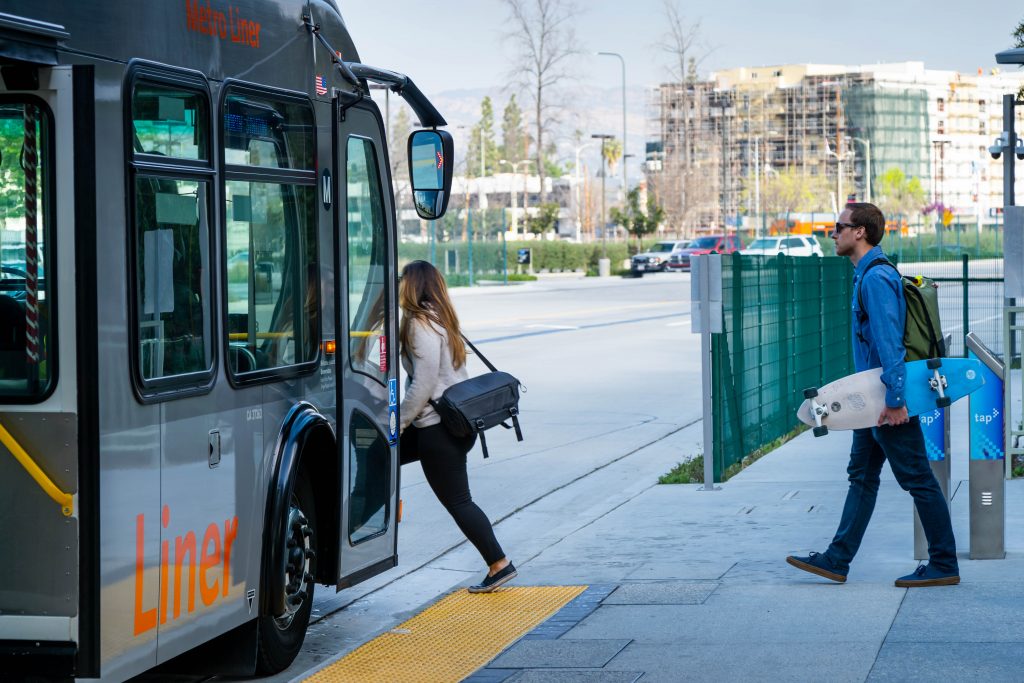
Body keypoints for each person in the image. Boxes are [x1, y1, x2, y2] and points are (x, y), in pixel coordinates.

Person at [786, 202, 959, 588]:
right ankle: (837, 559)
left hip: (884, 401)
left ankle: (944, 562)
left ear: (859, 231)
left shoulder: (876, 279)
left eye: (838, 227)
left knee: (917, 478)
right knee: (861, 477)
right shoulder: (865, 275)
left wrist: (895, 401)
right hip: (869, 400)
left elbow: (889, 343)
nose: (833, 234)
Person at [397, 260, 517, 593]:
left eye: (401, 279)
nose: (398, 285)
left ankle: (499, 563)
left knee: (459, 502)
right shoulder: (442, 319)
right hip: (450, 426)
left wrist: (399, 422)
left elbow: (423, 383)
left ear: (412, 285)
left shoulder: (420, 324)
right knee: (379, 455)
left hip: (436, 429)